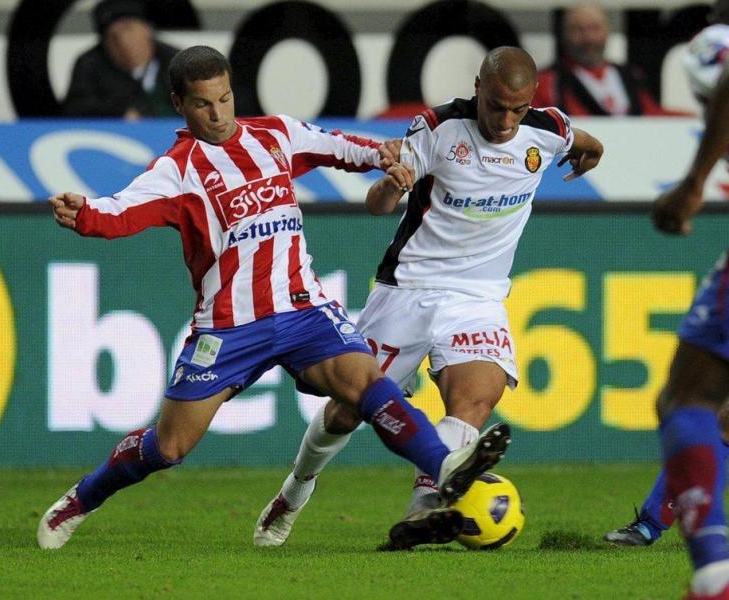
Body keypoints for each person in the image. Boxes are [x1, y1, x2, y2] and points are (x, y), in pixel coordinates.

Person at [36, 45, 514, 550]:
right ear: (178, 103)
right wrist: (83, 212)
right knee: (169, 446)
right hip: (227, 327)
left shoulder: (274, 135)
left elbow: (340, 146)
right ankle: (80, 499)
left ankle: (444, 465)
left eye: (225, 98)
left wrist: (382, 154)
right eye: (203, 104)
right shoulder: (176, 171)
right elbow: (120, 211)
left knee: (367, 384)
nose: (219, 114)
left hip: (302, 310)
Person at [254, 46, 604, 550]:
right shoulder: (437, 128)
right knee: (345, 412)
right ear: (478, 87)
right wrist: (391, 186)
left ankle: (426, 505)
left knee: (476, 397)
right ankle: (296, 489)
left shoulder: (546, 130)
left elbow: (583, 141)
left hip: (477, 296)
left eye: (518, 109)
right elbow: (378, 205)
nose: (506, 121)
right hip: (408, 290)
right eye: (497, 106)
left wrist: (590, 153)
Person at [605, 0, 729, 551]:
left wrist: (694, 181)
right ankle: (654, 521)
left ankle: (711, 571)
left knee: (687, 403)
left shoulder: (713, 46)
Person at [531, 1, 670, 116]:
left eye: (595, 28)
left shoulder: (631, 75)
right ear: (564, 35)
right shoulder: (547, 82)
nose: (588, 38)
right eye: (578, 30)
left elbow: (653, 115)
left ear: (607, 31)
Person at [63, 0, 179, 119]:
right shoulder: (89, 65)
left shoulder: (177, 61)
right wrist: (119, 114)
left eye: (128, 29)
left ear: (147, 30)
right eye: (113, 35)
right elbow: (76, 109)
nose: (122, 41)